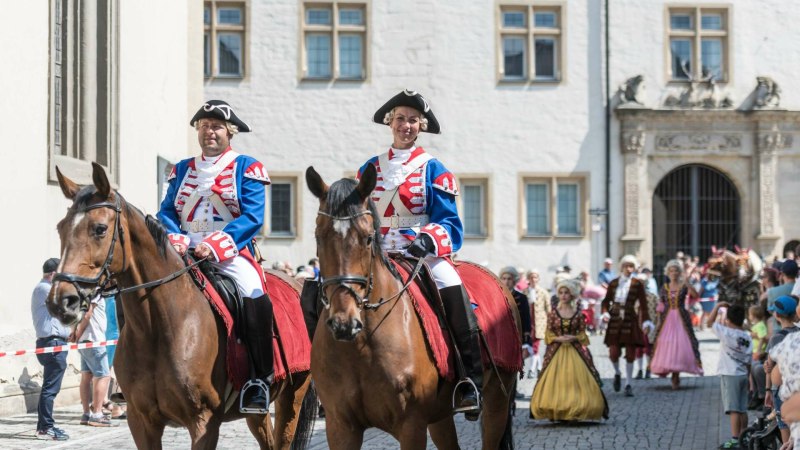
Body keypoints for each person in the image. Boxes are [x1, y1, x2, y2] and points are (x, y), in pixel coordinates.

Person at [356, 89, 481, 419]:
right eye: (400, 118)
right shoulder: (369, 168)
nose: (406, 125)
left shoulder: (434, 169)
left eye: (413, 120)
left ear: (420, 127)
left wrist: (427, 240)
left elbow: (450, 223)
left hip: (419, 254)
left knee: (450, 284)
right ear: (390, 123)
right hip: (377, 254)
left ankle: (470, 378)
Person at [157, 100, 274, 413]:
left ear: (230, 132)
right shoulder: (181, 169)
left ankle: (260, 378)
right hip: (183, 249)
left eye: (217, 126)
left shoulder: (247, 167)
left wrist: (215, 244)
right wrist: (177, 238)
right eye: (204, 126)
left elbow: (253, 216)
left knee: (253, 292)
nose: (210, 131)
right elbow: (166, 211)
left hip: (229, 253)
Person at [530, 279, 608, 421]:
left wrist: (574, 337)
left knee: (576, 381)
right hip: (556, 351)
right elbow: (548, 334)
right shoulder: (553, 313)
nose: (563, 295)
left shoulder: (578, 314)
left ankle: (577, 409)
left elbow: (583, 335)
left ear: (572, 294)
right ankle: (556, 409)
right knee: (556, 382)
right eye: (561, 292)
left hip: (575, 350)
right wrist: (558, 339)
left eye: (566, 292)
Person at [600, 255, 653, 397]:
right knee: (613, 352)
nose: (629, 269)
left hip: (630, 319)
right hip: (615, 319)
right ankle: (617, 373)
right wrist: (605, 313)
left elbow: (643, 305)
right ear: (621, 267)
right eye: (626, 266)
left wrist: (646, 321)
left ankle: (628, 383)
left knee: (631, 353)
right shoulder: (613, 283)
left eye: (631, 266)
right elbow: (606, 301)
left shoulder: (637, 284)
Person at [31, 258, 71, 440]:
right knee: (50, 389)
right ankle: (46, 428)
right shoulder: (45, 288)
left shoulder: (47, 288)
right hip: (52, 344)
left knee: (48, 388)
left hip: (53, 343)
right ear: (54, 274)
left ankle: (43, 427)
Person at [648, 259, 704, 390]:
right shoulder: (664, 287)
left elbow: (695, 295)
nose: (673, 273)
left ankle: (676, 375)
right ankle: (671, 371)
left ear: (679, 272)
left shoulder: (684, 286)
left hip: (681, 318)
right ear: (668, 273)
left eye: (676, 271)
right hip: (667, 319)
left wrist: (688, 283)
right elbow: (661, 303)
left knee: (681, 343)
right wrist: (658, 319)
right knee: (667, 343)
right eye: (671, 271)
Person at [707, 301, 752, 450]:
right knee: (742, 409)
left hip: (729, 374)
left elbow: (709, 323)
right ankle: (744, 436)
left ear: (727, 319)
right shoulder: (747, 337)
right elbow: (749, 360)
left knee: (733, 409)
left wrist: (717, 306)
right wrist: (749, 377)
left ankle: (735, 440)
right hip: (743, 374)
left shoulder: (725, 332)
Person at [73, 294, 116, 427]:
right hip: (94, 339)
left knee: (86, 377)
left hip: (84, 341)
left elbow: (77, 315)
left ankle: (86, 414)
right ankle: (97, 415)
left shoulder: (81, 293)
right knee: (104, 376)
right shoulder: (95, 292)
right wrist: (77, 334)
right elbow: (87, 315)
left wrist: (76, 334)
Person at [761, 296, 799, 445]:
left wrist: (768, 390)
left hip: (781, 389)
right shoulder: (798, 334)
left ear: (776, 315)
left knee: (784, 426)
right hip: (796, 387)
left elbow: (769, 367)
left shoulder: (776, 338)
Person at [499, 267, 531, 399]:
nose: (506, 281)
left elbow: (526, 321)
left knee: (513, 368)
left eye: (509, 279)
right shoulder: (496, 295)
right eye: (504, 278)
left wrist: (526, 344)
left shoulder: (521, 298)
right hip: (499, 338)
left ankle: (512, 394)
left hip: (515, 339)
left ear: (515, 281)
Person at [526, 269, 551, 378]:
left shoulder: (543, 292)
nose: (533, 279)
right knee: (531, 346)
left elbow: (548, 309)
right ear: (528, 278)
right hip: (528, 322)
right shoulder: (524, 292)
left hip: (539, 323)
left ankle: (532, 370)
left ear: (538, 279)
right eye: (531, 277)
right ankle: (539, 368)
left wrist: (550, 323)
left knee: (535, 346)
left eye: (535, 277)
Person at [749, 304, 769, 409]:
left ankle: (756, 393)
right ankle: (754, 392)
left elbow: (762, 338)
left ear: (754, 315)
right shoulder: (757, 325)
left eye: (750, 314)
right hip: (754, 351)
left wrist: (758, 350)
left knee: (754, 369)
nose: (749, 316)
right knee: (751, 370)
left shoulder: (760, 325)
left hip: (757, 353)